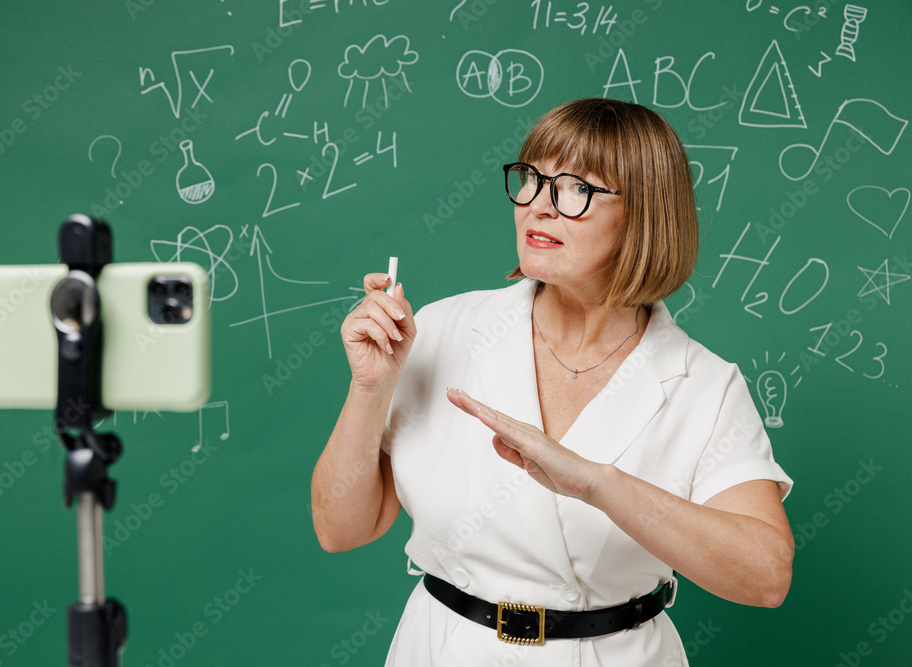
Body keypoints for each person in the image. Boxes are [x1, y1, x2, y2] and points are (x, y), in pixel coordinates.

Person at [311, 98, 793, 666]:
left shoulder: (705, 386)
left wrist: (596, 485)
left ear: (643, 214)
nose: (540, 206)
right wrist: (369, 389)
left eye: (576, 188)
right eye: (533, 179)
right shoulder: (441, 330)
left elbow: (765, 577)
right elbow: (341, 529)